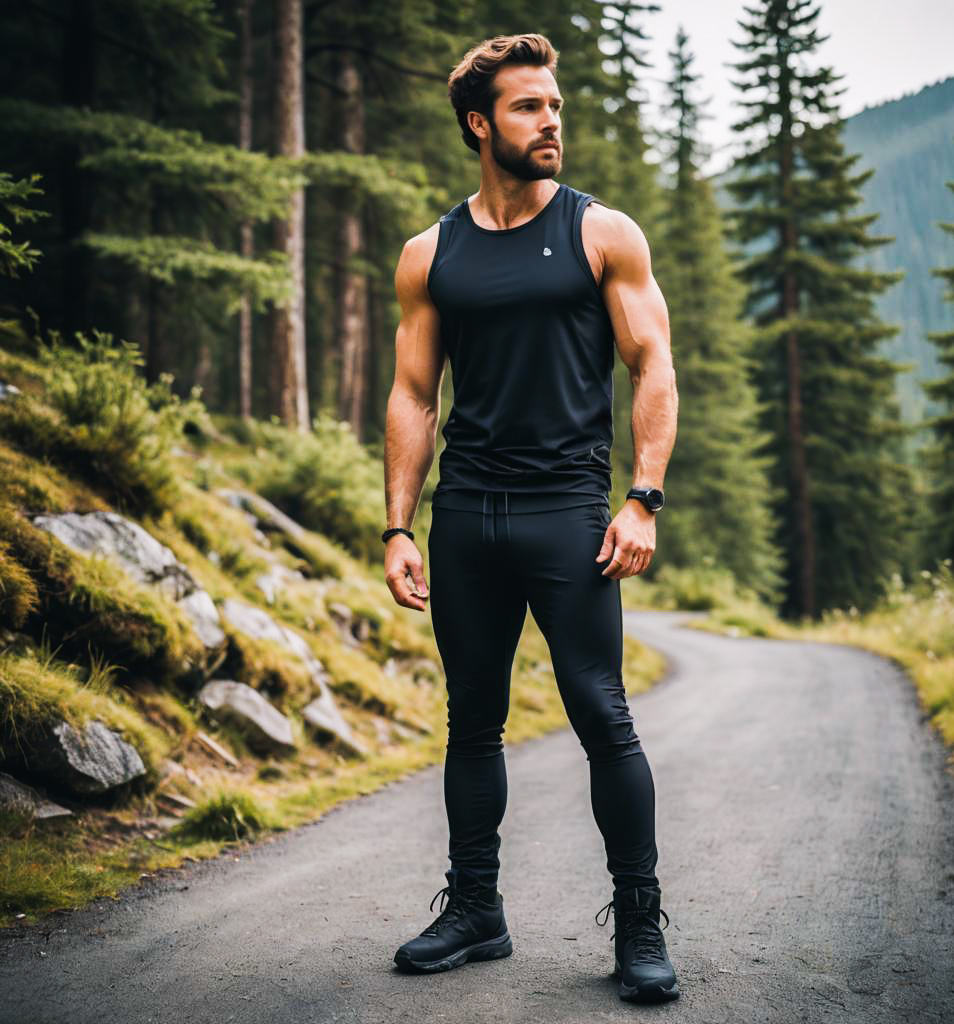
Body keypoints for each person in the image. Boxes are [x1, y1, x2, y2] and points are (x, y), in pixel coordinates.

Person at [381, 32, 679, 1004]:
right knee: (472, 722)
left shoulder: (602, 234)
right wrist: (395, 526)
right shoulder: (431, 253)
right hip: (465, 515)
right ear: (480, 124)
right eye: (528, 107)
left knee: (601, 714)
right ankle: (477, 910)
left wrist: (642, 495)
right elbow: (413, 395)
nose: (551, 120)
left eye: (554, 105)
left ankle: (639, 923)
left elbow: (653, 366)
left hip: (567, 513)